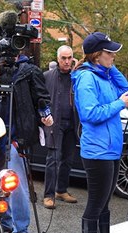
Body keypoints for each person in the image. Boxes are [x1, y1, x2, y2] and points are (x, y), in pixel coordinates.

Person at [0, 49, 53, 233]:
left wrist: (45, 113)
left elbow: (41, 97)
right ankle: (3, 225)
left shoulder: (27, 72)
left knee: (16, 187)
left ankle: (20, 231)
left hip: (17, 138)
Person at [71, 32, 128, 233]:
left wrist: (109, 67)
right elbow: (90, 114)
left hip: (110, 149)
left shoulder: (103, 75)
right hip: (97, 151)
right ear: (97, 55)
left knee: (104, 205)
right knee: (95, 204)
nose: (114, 56)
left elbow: (126, 88)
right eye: (110, 53)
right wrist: (119, 104)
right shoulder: (88, 78)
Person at [42, 45, 78, 209]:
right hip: (55, 123)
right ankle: (48, 195)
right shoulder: (47, 76)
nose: (67, 61)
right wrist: (43, 116)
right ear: (58, 59)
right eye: (63, 58)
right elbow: (40, 98)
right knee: (53, 160)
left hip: (72, 122)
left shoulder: (76, 76)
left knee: (68, 159)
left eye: (69, 57)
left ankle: (61, 190)